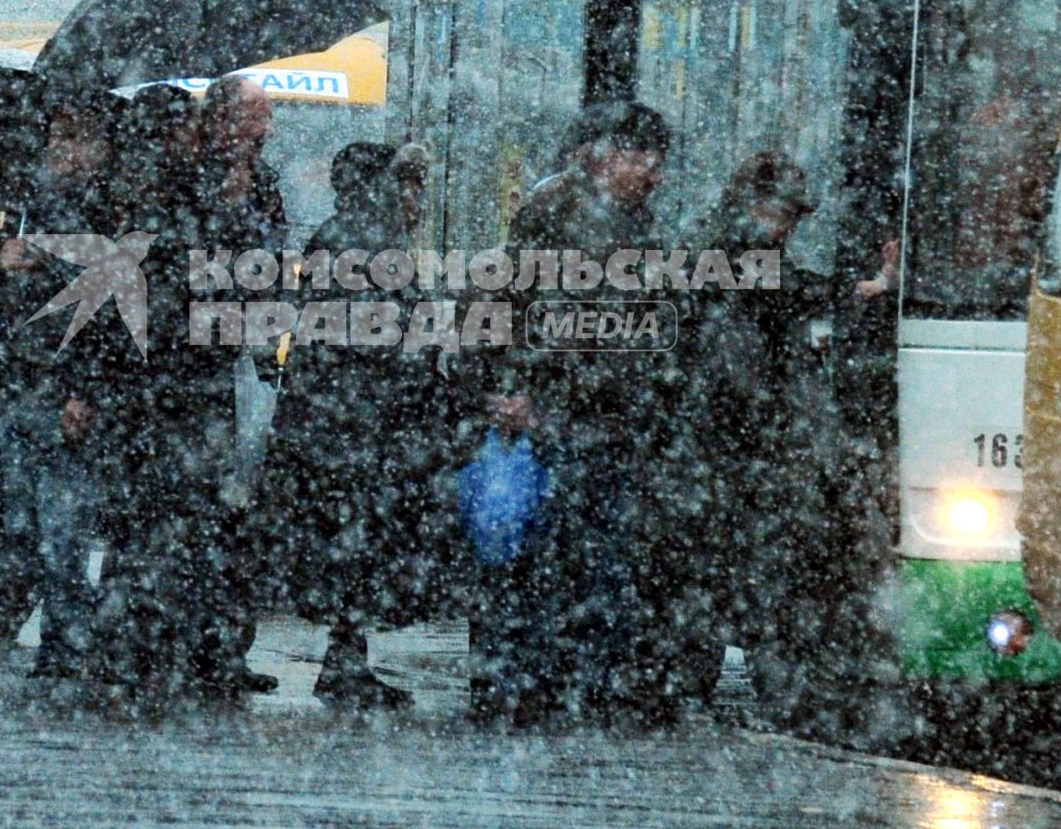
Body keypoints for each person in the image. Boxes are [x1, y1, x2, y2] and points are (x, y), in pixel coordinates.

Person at [470, 100, 685, 726]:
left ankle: (558, 684)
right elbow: (534, 308)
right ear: (607, 152)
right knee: (558, 552)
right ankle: (541, 684)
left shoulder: (619, 213)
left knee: (584, 554)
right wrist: (525, 387)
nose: (655, 172)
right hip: (568, 411)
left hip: (598, 410)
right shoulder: (562, 211)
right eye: (646, 158)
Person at [82, 79, 283, 702]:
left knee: (210, 518)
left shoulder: (253, 184)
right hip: (156, 377)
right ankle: (129, 645)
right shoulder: (166, 192)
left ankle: (207, 648)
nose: (266, 128)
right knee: (150, 517)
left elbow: (260, 266)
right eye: (255, 116)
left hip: (205, 373)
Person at [684, 150, 898, 733]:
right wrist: (871, 285)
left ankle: (699, 688)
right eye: (788, 215)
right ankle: (716, 691)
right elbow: (780, 297)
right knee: (744, 570)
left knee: (728, 574)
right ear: (757, 206)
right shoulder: (732, 250)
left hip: (729, 447)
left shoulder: (728, 248)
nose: (792, 228)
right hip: (733, 446)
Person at [254, 141, 452, 709]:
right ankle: (344, 663)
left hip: (345, 420)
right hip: (351, 426)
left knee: (351, 546)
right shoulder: (360, 243)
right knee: (352, 544)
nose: (415, 199)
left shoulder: (351, 237)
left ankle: (347, 659)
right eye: (406, 185)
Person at [0, 99, 124, 648]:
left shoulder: (101, 212)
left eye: (72, 137)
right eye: (56, 136)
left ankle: (66, 636)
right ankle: (18, 614)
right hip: (22, 384)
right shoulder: (39, 206)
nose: (59, 151)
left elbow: (104, 309)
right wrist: (0, 261)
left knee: (60, 529)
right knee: (22, 523)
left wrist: (83, 387)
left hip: (60, 386)